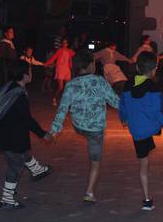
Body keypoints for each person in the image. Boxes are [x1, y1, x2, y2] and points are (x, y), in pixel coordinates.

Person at [48, 49, 120, 203]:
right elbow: (116, 102)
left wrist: (55, 129)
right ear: (90, 65)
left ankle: (90, 192)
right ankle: (89, 193)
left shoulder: (71, 84)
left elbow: (62, 108)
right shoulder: (100, 81)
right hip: (95, 129)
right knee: (95, 161)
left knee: (86, 133)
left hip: (78, 124)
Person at [0, 60, 52, 209]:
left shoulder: (9, 87)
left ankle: (36, 169)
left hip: (3, 132)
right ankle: (7, 198)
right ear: (24, 75)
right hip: (8, 135)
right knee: (15, 164)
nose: (31, 73)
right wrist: (43, 134)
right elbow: (27, 119)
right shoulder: (18, 95)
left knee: (21, 151)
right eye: (29, 70)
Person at [119, 52, 163, 212]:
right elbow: (158, 114)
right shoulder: (154, 89)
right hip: (151, 126)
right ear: (154, 70)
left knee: (143, 166)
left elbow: (122, 105)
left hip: (136, 131)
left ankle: (147, 200)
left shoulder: (127, 85)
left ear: (137, 67)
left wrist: (124, 118)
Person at [45, 38, 75, 106]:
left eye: (66, 43)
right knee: (60, 87)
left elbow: (77, 55)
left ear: (67, 44)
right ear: (62, 44)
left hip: (67, 70)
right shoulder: (59, 50)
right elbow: (53, 58)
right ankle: (54, 98)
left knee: (68, 87)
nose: (65, 44)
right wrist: (47, 63)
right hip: (60, 69)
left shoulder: (69, 51)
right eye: (63, 42)